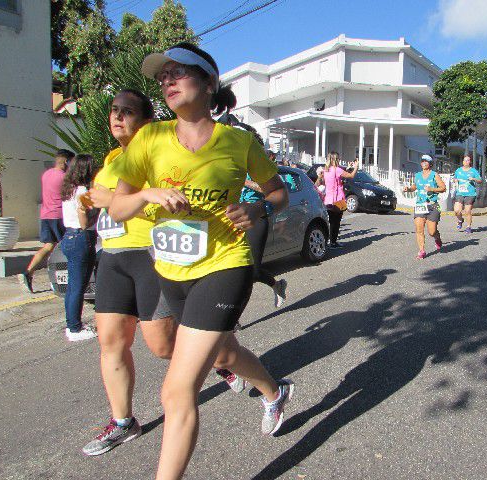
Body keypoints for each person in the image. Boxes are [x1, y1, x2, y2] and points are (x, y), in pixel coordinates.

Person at [108, 42, 293, 479]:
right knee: (224, 354)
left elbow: (278, 191)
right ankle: (273, 389)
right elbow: (117, 208)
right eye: (162, 76)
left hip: (224, 264)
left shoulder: (238, 141)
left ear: (209, 83)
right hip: (170, 269)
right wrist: (149, 194)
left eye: (179, 72)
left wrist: (260, 208)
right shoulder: (149, 139)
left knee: (176, 389)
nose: (168, 81)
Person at [80, 89, 178, 456]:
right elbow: (100, 201)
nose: (118, 116)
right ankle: (124, 422)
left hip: (149, 254)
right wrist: (92, 203)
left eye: (128, 111)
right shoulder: (111, 158)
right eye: (114, 110)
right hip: (113, 255)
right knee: (111, 341)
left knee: (163, 346)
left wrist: (118, 201)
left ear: (146, 121)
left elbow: (167, 206)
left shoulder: (159, 158)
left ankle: (219, 356)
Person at [18, 149, 74, 292]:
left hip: (46, 215)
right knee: (67, 247)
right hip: (59, 216)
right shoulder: (64, 177)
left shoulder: (46, 175)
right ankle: (67, 278)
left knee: (48, 246)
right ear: (66, 161)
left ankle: (28, 272)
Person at [60, 154, 98, 341]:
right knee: (78, 285)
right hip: (81, 237)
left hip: (68, 236)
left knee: (73, 285)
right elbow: (83, 221)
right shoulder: (83, 190)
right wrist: (95, 217)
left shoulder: (69, 189)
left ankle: (72, 324)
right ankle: (74, 328)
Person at [240, 174, 288, 307]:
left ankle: (277, 285)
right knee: (234, 270)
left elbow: (272, 190)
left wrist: (244, 181)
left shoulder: (256, 163)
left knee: (253, 271)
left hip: (256, 216)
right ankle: (233, 318)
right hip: (234, 217)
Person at [403, 154, 446, 259]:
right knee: (419, 228)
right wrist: (409, 189)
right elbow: (415, 186)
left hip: (432, 205)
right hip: (420, 205)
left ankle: (437, 238)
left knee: (432, 231)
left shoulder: (434, 175)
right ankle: (421, 251)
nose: (424, 162)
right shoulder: (417, 175)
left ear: (430, 163)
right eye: (422, 161)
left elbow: (443, 188)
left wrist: (432, 189)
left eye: (426, 161)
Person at [315, 151, 357, 248]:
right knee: (336, 222)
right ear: (336, 159)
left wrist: (347, 168)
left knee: (330, 222)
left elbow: (319, 183)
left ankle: (329, 242)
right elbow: (351, 175)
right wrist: (356, 167)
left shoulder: (326, 170)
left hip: (328, 200)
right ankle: (333, 242)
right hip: (338, 200)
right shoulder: (337, 169)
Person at [452, 154, 482, 233]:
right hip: (460, 193)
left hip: (470, 194)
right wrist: (455, 180)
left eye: (468, 160)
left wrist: (473, 179)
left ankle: (468, 227)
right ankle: (460, 220)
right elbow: (454, 178)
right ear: (463, 162)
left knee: (467, 211)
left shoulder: (473, 171)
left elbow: (480, 180)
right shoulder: (458, 170)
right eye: (465, 160)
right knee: (456, 211)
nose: (467, 162)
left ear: (470, 162)